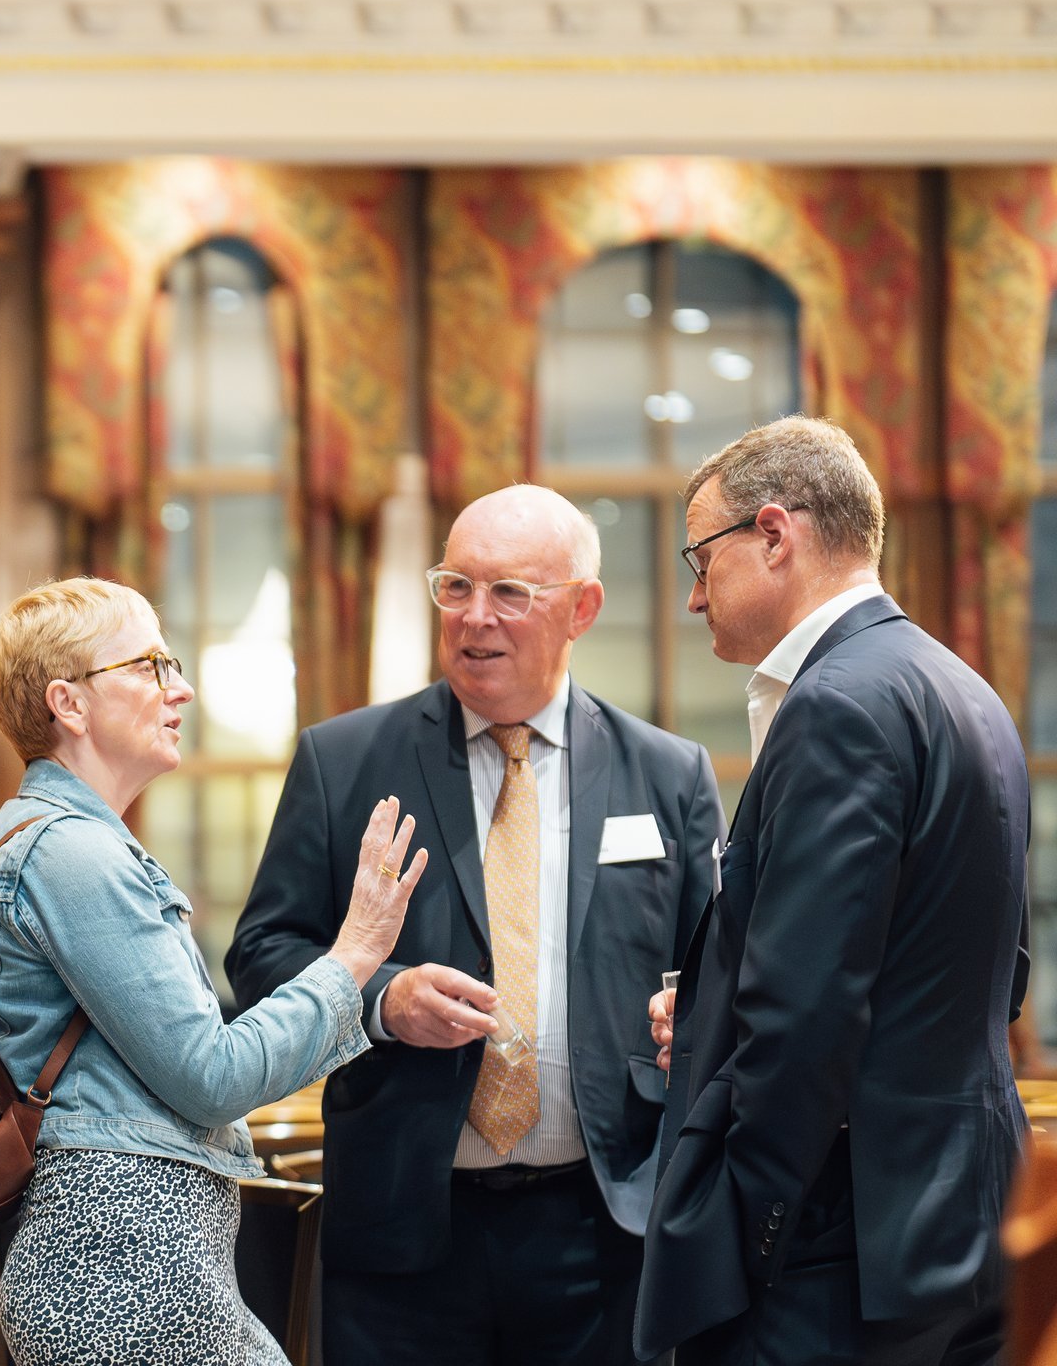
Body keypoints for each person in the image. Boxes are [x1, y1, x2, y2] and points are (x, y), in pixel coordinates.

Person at [226, 484, 725, 1366]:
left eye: (508, 593)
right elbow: (262, 957)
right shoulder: (342, 762)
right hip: (404, 1234)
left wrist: (689, 1012)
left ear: (582, 608)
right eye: (455, 587)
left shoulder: (668, 774)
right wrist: (380, 1000)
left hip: (604, 1228)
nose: (472, 618)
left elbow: (711, 971)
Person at [637, 417, 1032, 1366]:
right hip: (968, 1220)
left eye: (700, 558)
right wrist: (715, 1009)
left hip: (837, 1245)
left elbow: (806, 1011)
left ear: (775, 534)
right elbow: (993, 971)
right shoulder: (965, 688)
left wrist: (747, 1231)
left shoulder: (835, 704)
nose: (693, 599)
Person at [0, 577, 428, 1366]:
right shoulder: (73, 853)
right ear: (68, 704)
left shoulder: (69, 841)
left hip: (132, 1255)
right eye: (150, 665)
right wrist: (353, 956)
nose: (180, 688)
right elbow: (213, 1076)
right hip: (119, 1263)